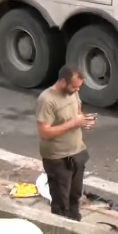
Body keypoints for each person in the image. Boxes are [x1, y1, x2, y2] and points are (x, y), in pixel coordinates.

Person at [36, 66, 96, 221]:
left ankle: (75, 223)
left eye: (79, 87)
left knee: (75, 195)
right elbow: (44, 132)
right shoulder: (47, 100)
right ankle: (60, 229)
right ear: (63, 82)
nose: (77, 90)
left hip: (77, 153)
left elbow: (78, 112)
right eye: (74, 86)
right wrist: (73, 124)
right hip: (58, 158)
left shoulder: (73, 93)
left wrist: (84, 120)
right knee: (61, 202)